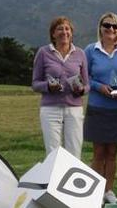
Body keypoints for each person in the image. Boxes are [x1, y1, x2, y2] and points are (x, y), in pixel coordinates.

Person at [83, 12, 117, 204]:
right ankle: (94, 191)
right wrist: (98, 87)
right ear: (101, 27)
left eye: (115, 26)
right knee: (98, 153)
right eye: (107, 25)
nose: (111, 29)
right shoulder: (91, 50)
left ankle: (109, 190)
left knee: (112, 153)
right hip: (98, 106)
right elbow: (85, 77)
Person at [31, 16, 89, 159]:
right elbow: (35, 83)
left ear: (71, 33)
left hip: (74, 108)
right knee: (53, 153)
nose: (64, 32)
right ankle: (54, 181)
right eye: (60, 29)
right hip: (50, 109)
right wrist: (48, 87)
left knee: (75, 151)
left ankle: (71, 181)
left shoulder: (80, 53)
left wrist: (81, 90)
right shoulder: (43, 53)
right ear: (53, 34)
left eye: (67, 29)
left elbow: (87, 84)